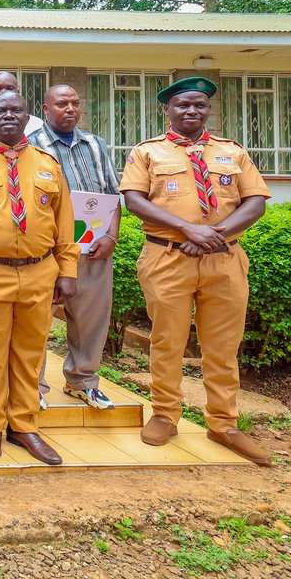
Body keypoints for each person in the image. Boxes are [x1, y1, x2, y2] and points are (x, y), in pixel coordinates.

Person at [121, 77, 271, 465]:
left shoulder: (232, 152)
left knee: (223, 346)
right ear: (167, 110)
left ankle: (224, 424)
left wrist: (211, 235)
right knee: (167, 340)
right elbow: (134, 200)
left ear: (208, 110)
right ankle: (164, 415)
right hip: (168, 259)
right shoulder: (147, 152)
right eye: (183, 105)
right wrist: (188, 229)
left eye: (200, 105)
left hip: (224, 259)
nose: (192, 110)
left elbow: (255, 202)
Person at [0, 91, 78, 466]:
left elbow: (65, 222)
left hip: (40, 272)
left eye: (16, 110)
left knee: (30, 353)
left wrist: (67, 271)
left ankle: (24, 425)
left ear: (28, 117)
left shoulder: (48, 164)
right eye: (0, 110)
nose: (8, 115)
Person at [33, 85, 121, 411]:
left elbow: (112, 194)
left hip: (94, 248)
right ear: (46, 109)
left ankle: (83, 381)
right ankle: (33, 386)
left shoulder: (95, 145)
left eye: (74, 103)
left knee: (90, 320)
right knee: (37, 321)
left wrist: (111, 237)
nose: (70, 109)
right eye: (61, 104)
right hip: (50, 251)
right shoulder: (32, 147)